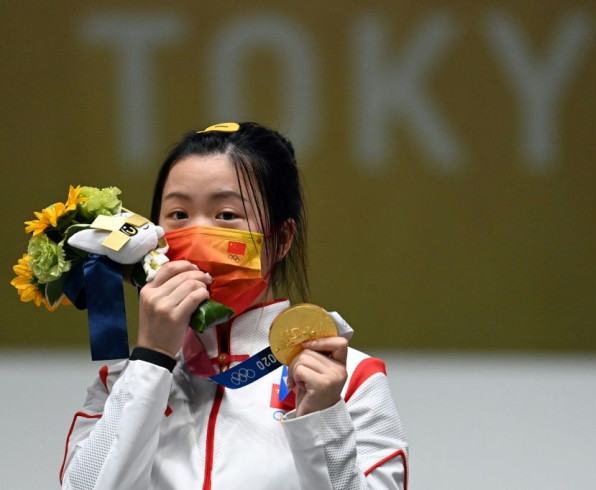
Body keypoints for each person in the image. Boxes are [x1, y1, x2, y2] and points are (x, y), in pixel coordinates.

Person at [60, 122, 408, 489]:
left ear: (283, 238)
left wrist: (322, 417)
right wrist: (152, 359)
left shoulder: (349, 380)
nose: (196, 234)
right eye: (178, 215)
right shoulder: (121, 382)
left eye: (226, 215)